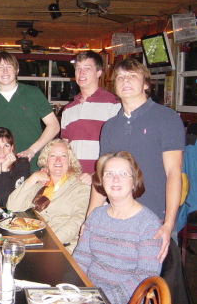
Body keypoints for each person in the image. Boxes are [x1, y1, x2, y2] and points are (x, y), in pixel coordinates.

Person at [88, 58, 185, 262]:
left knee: (154, 289)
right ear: (114, 86)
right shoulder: (110, 126)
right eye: (120, 77)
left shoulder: (167, 118)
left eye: (132, 76)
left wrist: (168, 224)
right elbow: (101, 177)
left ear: (146, 84)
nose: (125, 81)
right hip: (115, 219)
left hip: (154, 220)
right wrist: (89, 222)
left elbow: (174, 173)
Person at [73, 151, 162, 304]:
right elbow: (82, 257)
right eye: (109, 174)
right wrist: (73, 288)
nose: (115, 179)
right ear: (102, 180)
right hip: (88, 295)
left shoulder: (148, 224)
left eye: (123, 174)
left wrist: (101, 299)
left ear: (134, 181)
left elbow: (145, 277)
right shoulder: (96, 215)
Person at [0, 52, 60, 172]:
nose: (5, 71)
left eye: (9, 66)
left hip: (36, 163)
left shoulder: (33, 93)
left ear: (17, 70)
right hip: (4, 166)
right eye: (0, 67)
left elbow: (54, 125)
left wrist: (32, 150)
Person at [7, 139, 90, 253]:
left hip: (62, 248)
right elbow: (12, 206)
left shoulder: (81, 187)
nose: (58, 160)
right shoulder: (39, 185)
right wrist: (33, 178)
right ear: (45, 161)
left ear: (70, 161)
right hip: (35, 243)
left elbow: (77, 221)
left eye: (63, 156)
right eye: (53, 155)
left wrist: (47, 243)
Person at [60, 51, 120, 174]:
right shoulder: (68, 110)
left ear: (99, 72)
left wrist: (96, 175)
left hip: (101, 178)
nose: (81, 73)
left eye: (87, 68)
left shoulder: (114, 104)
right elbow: (65, 148)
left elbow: (119, 147)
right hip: (73, 177)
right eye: (78, 69)